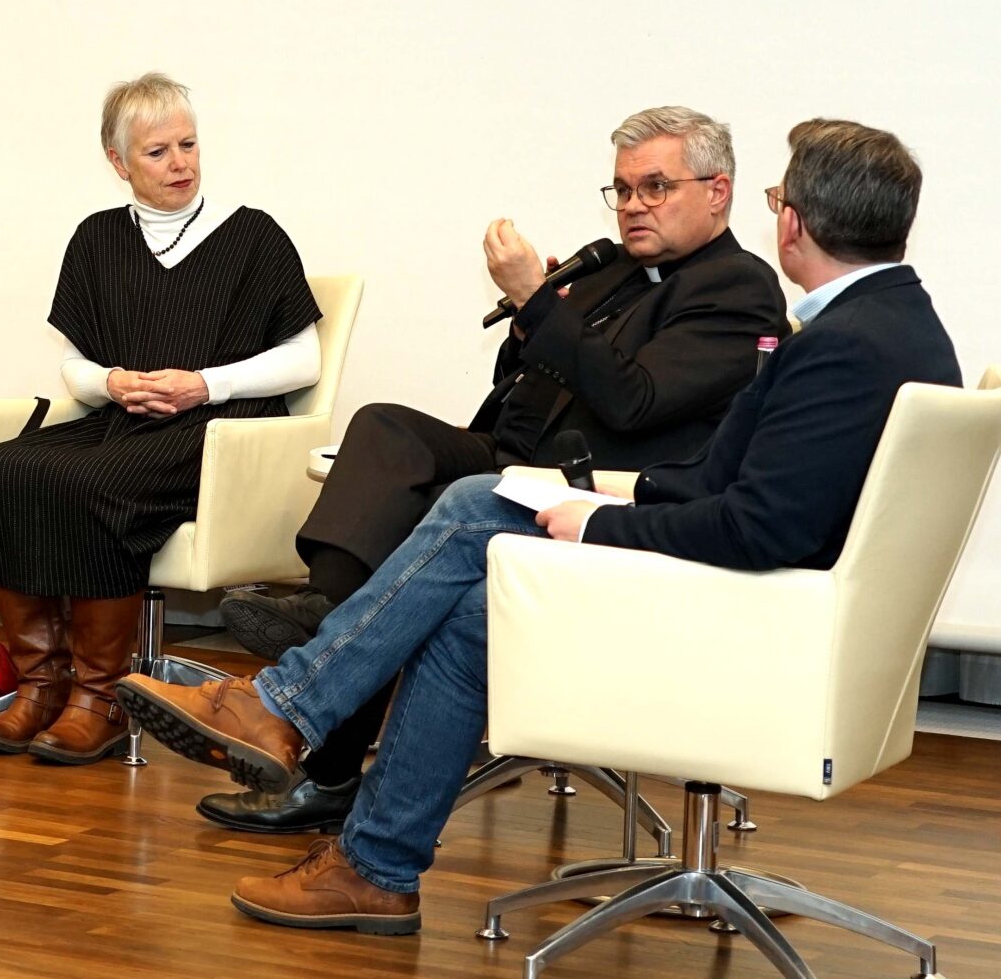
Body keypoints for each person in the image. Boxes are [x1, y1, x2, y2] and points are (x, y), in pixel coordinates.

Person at [120, 118, 958, 936]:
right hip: (773, 603)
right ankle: (370, 866)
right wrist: (611, 505)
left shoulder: (837, 344)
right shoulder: (895, 326)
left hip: (751, 618)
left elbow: (756, 528)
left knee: (479, 501)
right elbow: (727, 487)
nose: (636, 204)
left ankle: (285, 708)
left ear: (791, 219)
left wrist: (600, 530)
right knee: (472, 600)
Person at [206, 105, 786, 833]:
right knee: (385, 428)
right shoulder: (610, 269)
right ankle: (328, 607)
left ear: (717, 190)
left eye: (655, 188)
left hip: (592, 488)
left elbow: (634, 402)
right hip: (508, 455)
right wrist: (530, 324)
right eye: (623, 190)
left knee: (410, 536)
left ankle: (324, 758)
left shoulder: (735, 287)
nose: (634, 207)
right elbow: (529, 375)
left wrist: (541, 303)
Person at [0, 73, 322, 765]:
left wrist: (202, 386)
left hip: (216, 427)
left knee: (97, 486)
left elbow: (304, 359)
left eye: (188, 144)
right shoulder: (96, 239)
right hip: (125, 419)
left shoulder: (252, 236)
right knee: (2, 471)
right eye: (158, 152)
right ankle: (41, 685)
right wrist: (113, 382)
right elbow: (76, 368)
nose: (180, 162)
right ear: (118, 163)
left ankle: (102, 697)